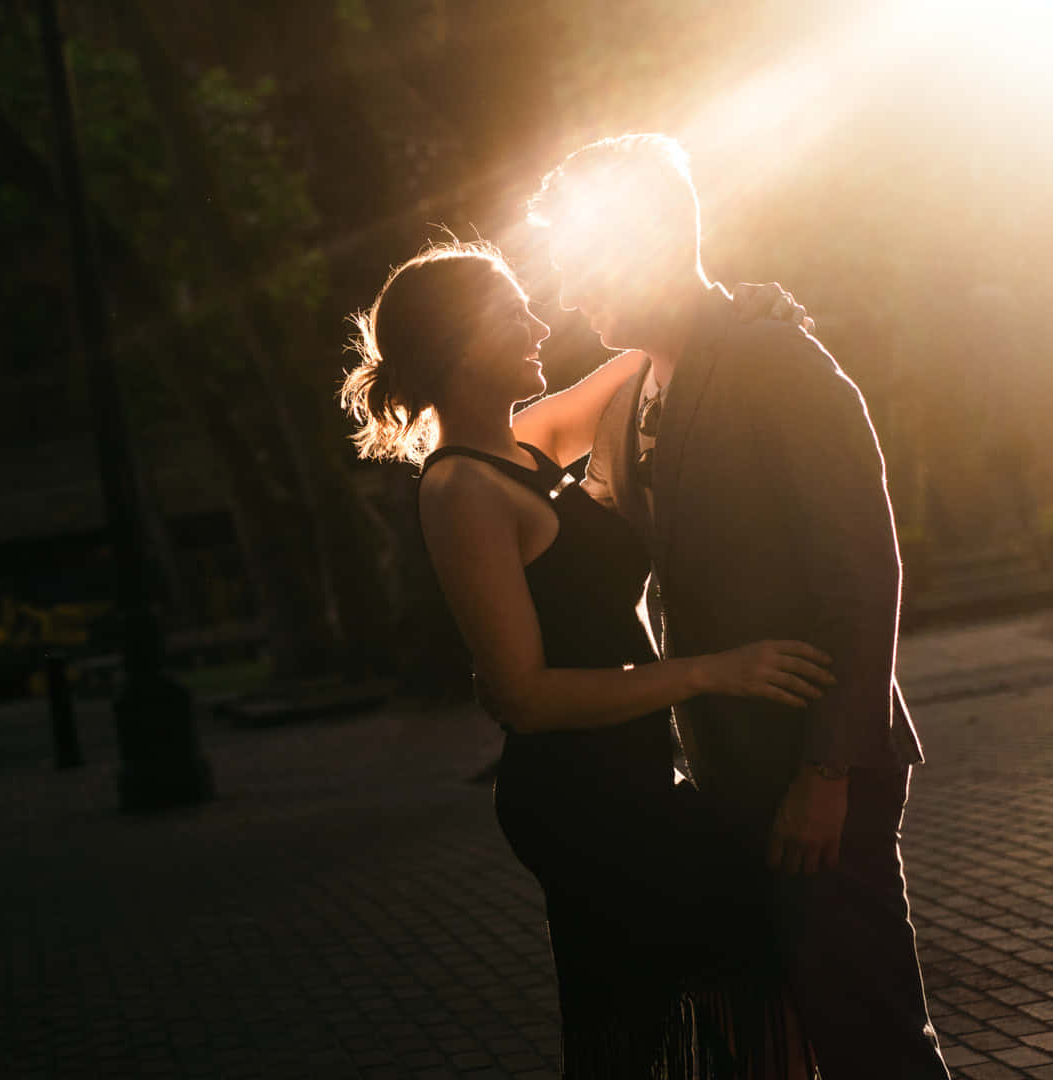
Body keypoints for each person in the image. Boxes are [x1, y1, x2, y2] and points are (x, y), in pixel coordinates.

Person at [343, 240, 824, 1076]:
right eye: (511, 312)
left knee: (665, 1016)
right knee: (643, 1022)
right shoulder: (460, 489)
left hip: (633, 778)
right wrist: (714, 669)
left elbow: (656, 352)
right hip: (581, 800)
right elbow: (525, 698)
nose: (539, 322)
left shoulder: (527, 443)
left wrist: (746, 307)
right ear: (460, 341)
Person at [528, 133, 946, 1079]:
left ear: (660, 235)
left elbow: (860, 571)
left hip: (817, 765)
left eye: (586, 260)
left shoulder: (775, 359)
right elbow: (496, 446)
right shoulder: (629, 387)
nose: (572, 291)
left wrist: (828, 769)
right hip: (722, 771)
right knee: (779, 1037)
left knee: (871, 1034)